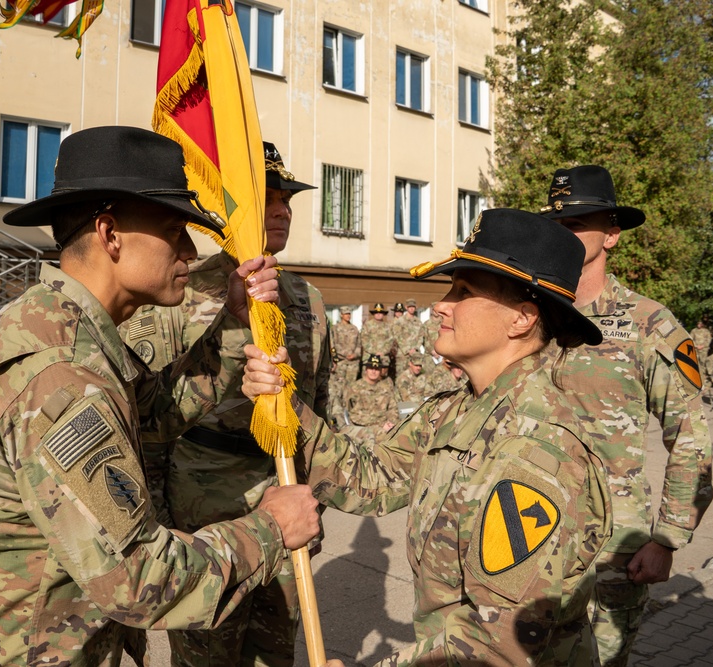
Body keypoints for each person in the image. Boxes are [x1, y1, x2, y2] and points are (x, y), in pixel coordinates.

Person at [0, 126, 322, 666]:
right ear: (109, 234)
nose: (190, 250)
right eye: (175, 231)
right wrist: (272, 528)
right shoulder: (61, 375)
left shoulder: (57, 327)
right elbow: (138, 576)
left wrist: (232, 324)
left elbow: (153, 412)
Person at [244, 208, 613, 665]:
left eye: (464, 291)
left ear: (521, 318)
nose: (440, 304)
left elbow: (497, 645)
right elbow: (368, 480)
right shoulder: (456, 408)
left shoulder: (535, 450)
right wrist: (285, 402)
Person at [116, 140, 329, 667]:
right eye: (268, 199)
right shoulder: (182, 291)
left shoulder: (307, 299)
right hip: (200, 501)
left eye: (287, 201)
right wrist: (160, 520)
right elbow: (150, 415)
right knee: (207, 650)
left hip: (278, 482)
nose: (282, 210)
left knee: (276, 646)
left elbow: (318, 408)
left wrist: (310, 491)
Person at [538, 165, 713, 666]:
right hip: (529, 533)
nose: (563, 236)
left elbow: (690, 438)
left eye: (576, 224)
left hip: (613, 549)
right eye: (556, 225)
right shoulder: (530, 316)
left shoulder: (648, 323)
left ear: (611, 234)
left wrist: (667, 538)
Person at [343, 354, 397, 430]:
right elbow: (353, 414)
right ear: (366, 369)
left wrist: (391, 423)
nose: (373, 371)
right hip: (362, 428)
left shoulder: (386, 388)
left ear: (380, 371)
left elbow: (393, 408)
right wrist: (380, 425)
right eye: (371, 368)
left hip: (385, 427)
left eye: (377, 369)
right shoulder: (355, 388)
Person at [330, 305, 361, 417]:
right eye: (346, 314)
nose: (348, 316)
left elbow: (359, 345)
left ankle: (349, 410)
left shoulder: (354, 329)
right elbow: (332, 344)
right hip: (341, 362)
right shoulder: (335, 328)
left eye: (349, 314)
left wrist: (355, 354)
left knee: (351, 387)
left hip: (353, 363)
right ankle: (338, 412)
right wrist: (340, 355)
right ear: (341, 315)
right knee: (339, 387)